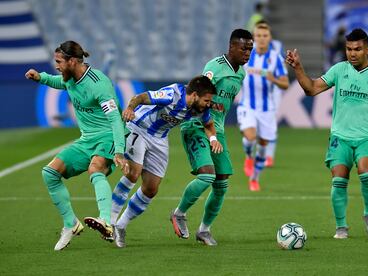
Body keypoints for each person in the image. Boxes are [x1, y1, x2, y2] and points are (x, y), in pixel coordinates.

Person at [285, 28, 368, 239]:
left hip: (367, 138)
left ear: (367, 49)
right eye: (349, 49)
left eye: (357, 49)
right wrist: (298, 68)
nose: (352, 53)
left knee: (366, 173)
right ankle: (341, 227)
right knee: (339, 180)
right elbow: (311, 89)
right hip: (340, 138)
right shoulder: (339, 70)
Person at [25, 40, 129, 250]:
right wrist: (40, 78)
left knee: (96, 167)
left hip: (108, 135)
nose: (56, 66)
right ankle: (70, 224)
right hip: (86, 139)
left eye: (59, 62)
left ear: (72, 61)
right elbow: (60, 82)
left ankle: (106, 221)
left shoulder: (99, 83)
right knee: (50, 173)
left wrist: (119, 150)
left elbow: (115, 120)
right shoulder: (70, 77)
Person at [109, 76, 222, 248]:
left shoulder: (199, 108)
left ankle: (120, 226)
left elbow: (208, 124)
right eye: (206, 100)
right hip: (139, 128)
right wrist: (130, 109)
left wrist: (213, 139)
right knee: (133, 173)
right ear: (194, 95)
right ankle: (109, 222)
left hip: (159, 139)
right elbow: (140, 97)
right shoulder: (171, 94)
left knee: (151, 189)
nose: (208, 104)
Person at [170, 29, 254, 246]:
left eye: (250, 49)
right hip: (197, 124)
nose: (247, 53)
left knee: (221, 183)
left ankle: (204, 230)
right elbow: (197, 92)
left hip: (218, 130)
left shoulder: (241, 74)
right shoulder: (214, 67)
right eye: (244, 48)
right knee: (207, 175)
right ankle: (179, 213)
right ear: (231, 47)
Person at [237, 22, 289, 191]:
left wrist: (272, 78)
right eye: (258, 36)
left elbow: (285, 84)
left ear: (270, 38)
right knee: (251, 137)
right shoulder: (245, 55)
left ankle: (254, 178)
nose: (261, 39)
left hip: (267, 109)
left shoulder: (275, 58)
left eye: (264, 36)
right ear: (253, 38)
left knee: (263, 146)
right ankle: (247, 157)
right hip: (248, 106)